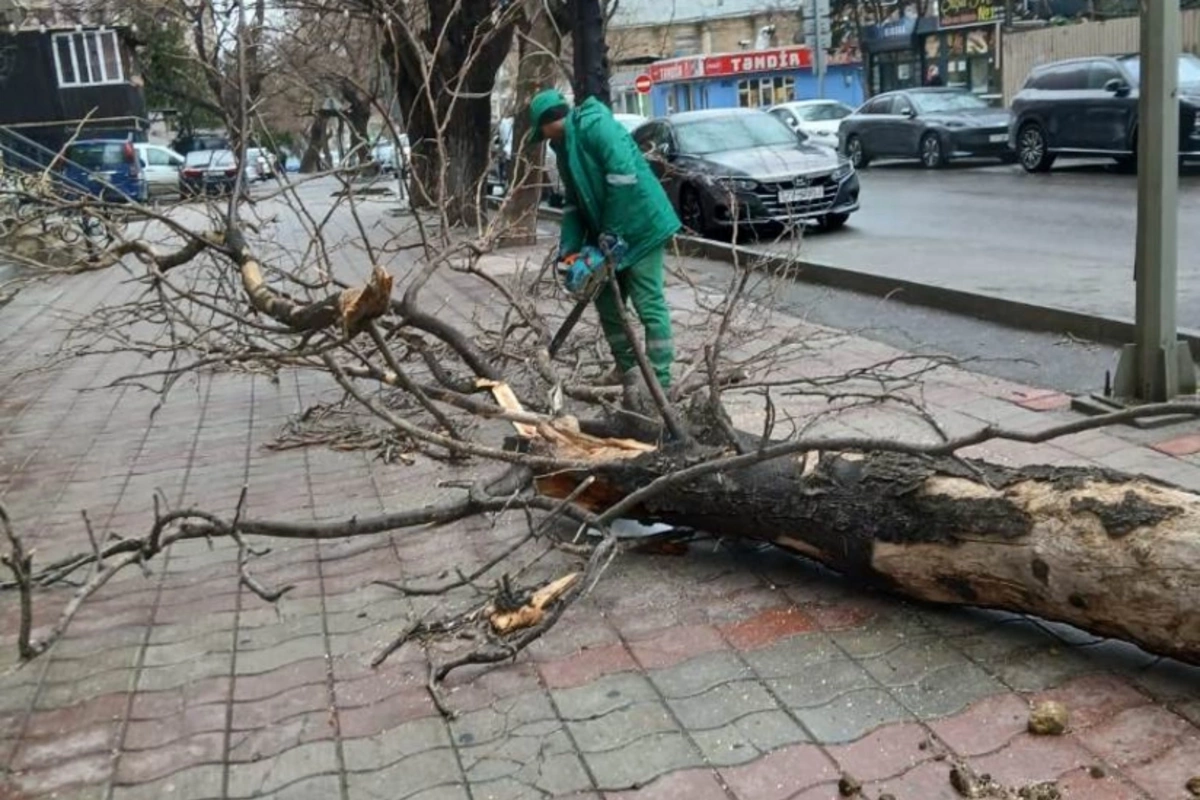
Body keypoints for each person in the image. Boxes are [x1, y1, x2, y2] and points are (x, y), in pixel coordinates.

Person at [529, 88, 681, 391]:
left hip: (642, 226)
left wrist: (611, 231)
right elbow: (574, 202)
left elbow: (623, 177)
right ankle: (627, 369)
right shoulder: (563, 148)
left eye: (541, 131)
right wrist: (570, 247)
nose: (543, 137)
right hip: (610, 234)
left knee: (647, 303)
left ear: (548, 122)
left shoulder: (596, 126)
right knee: (608, 303)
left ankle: (660, 381)